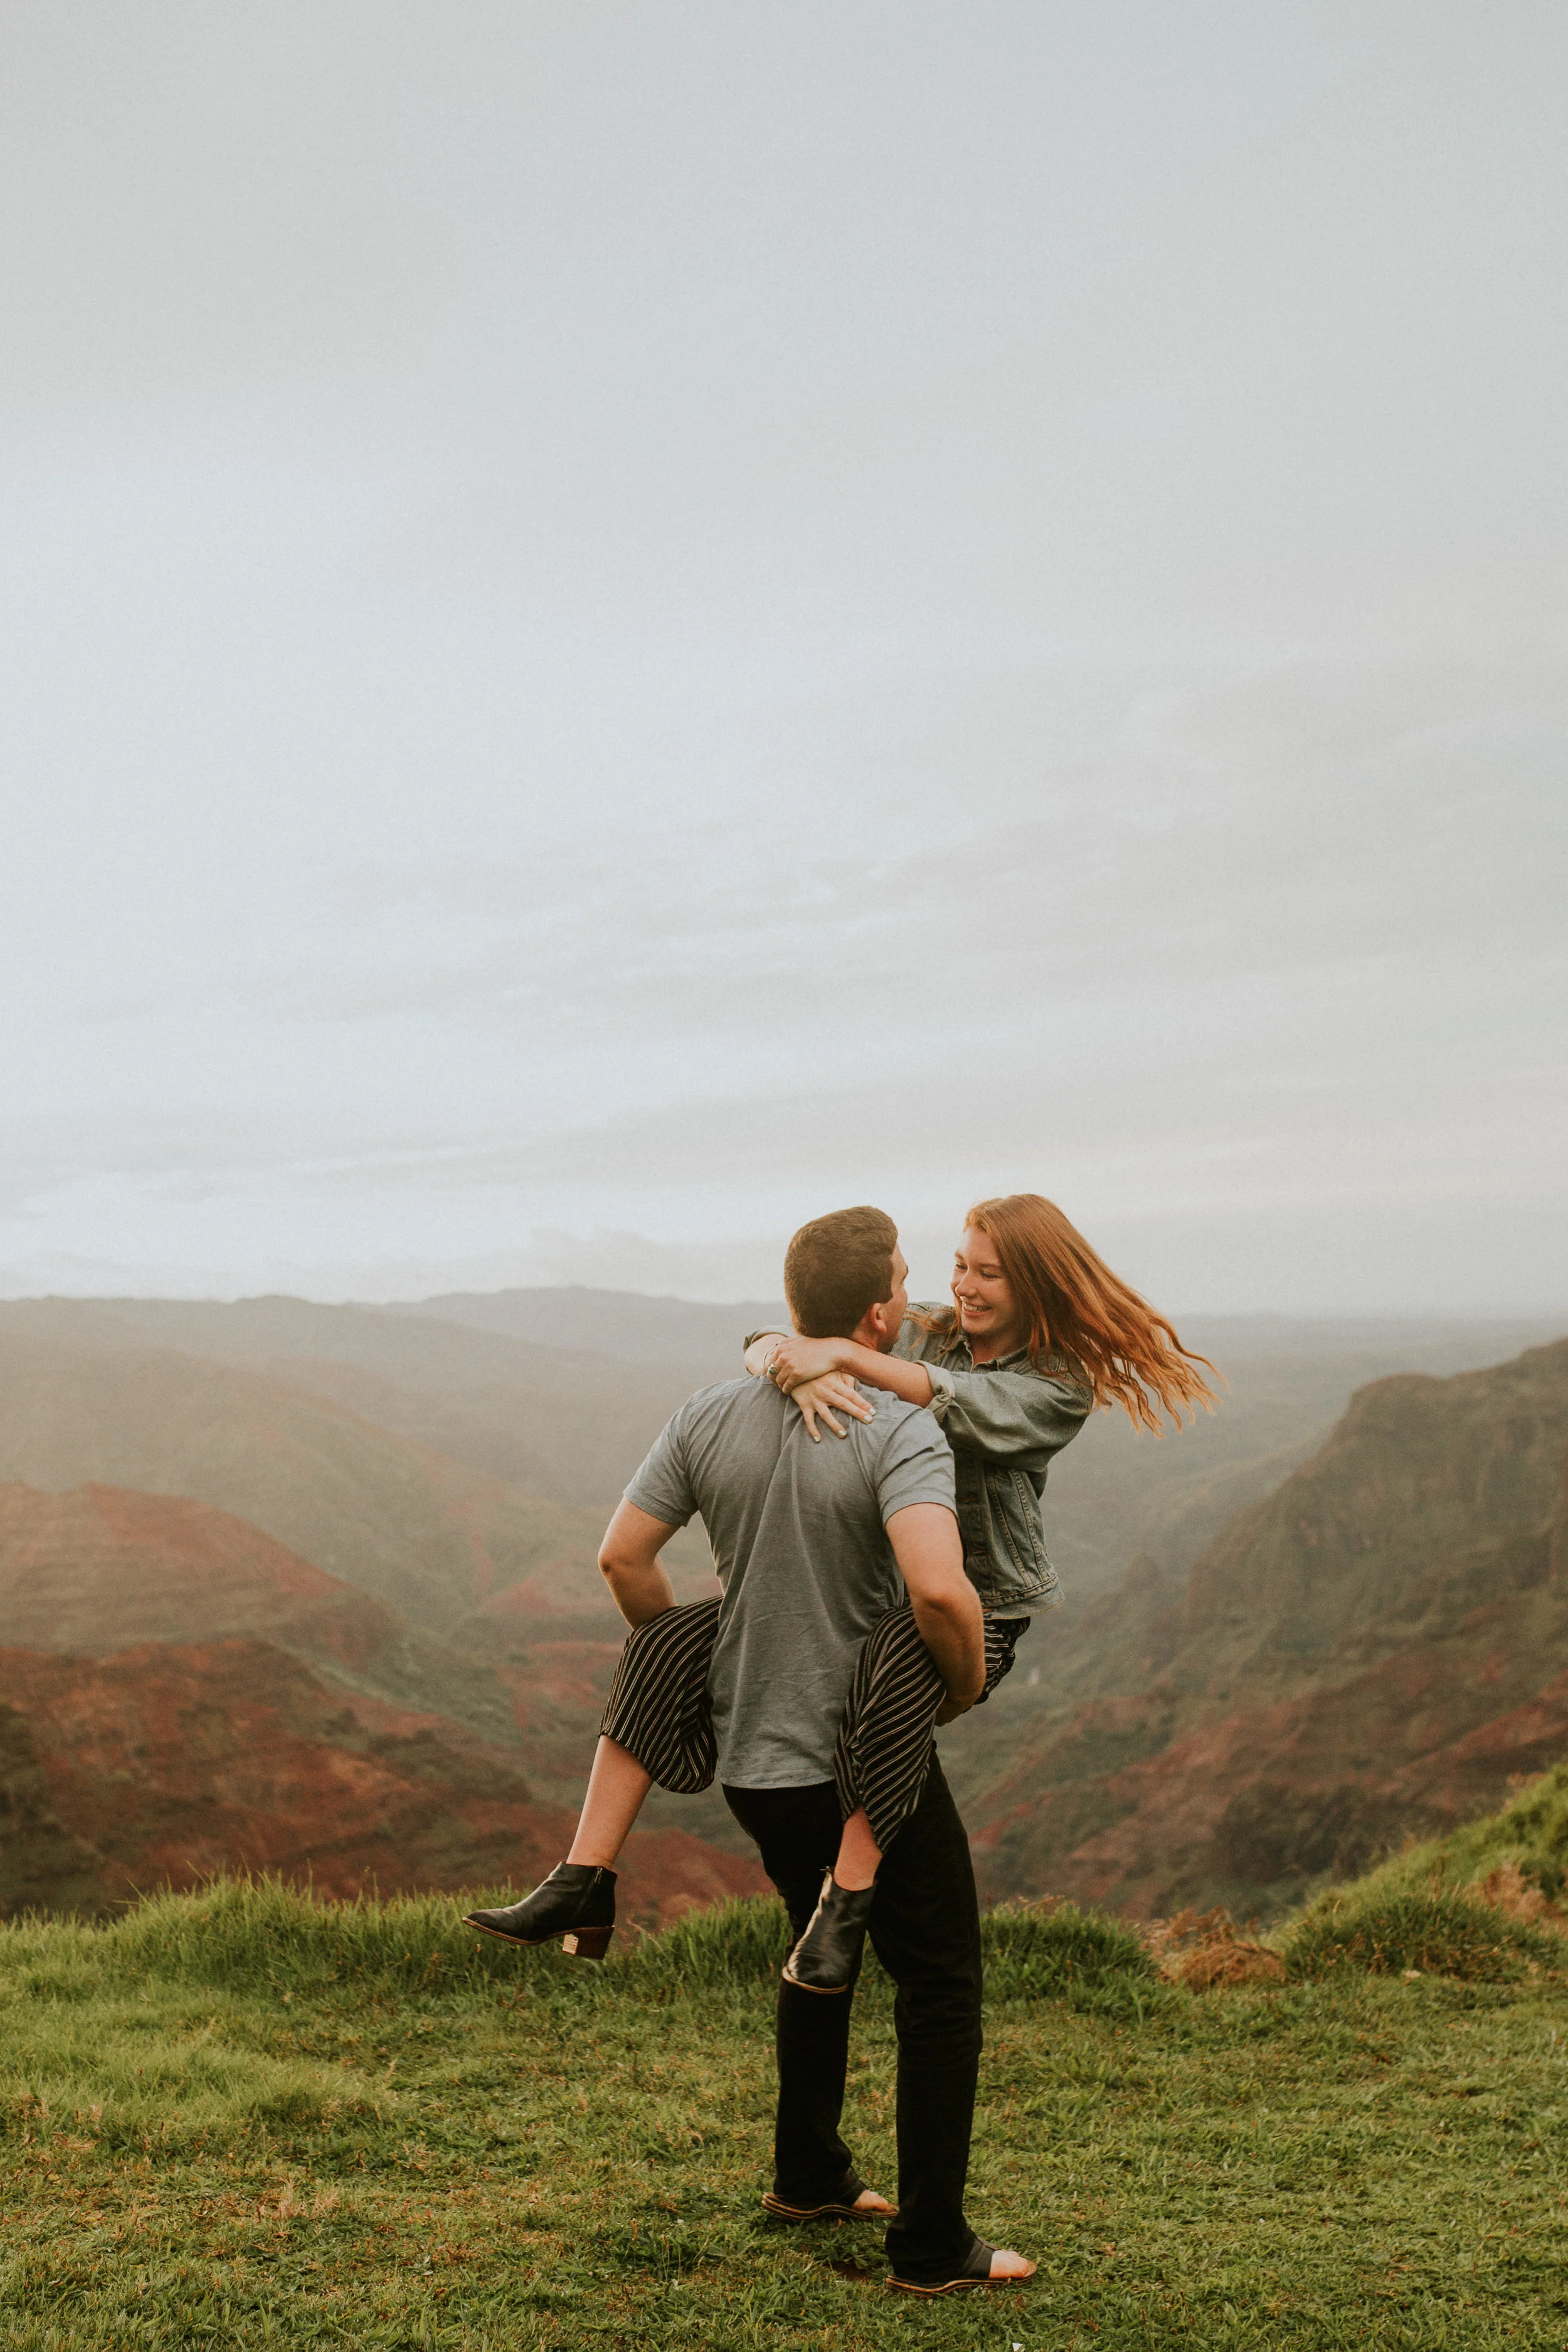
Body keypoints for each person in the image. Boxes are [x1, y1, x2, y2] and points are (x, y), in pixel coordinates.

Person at [469, 1205, 1036, 2294]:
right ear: (877, 1314)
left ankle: (810, 2172)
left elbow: (623, 1559)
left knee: (817, 1944)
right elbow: (936, 1590)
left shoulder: (710, 1411)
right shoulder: (896, 1427)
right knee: (941, 1986)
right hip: (861, 1757)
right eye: (908, 1282)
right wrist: (959, 1690)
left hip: (753, 1765)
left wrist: (708, 1653)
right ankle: (929, 2245)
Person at [469, 1192, 1214, 1993]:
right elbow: (778, 1338)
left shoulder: (1055, 1383)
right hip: (881, 1591)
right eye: (958, 1264)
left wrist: (844, 1362)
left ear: (1033, 1282)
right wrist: (789, 1370)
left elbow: (955, 1404)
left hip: (976, 1603)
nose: (962, 1285)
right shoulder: (932, 1325)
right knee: (668, 1639)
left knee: (900, 1658)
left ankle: (846, 1900)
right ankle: (584, 1878)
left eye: (987, 1273)